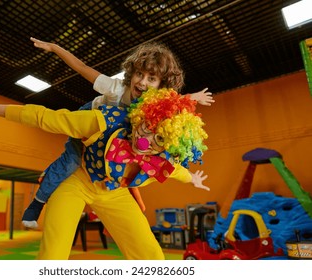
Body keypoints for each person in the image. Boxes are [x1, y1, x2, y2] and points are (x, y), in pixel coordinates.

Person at [0, 86, 209, 260]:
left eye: (160, 138)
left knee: (151, 255)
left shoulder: (164, 161)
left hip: (115, 195)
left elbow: (180, 173)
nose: (145, 139)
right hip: (78, 182)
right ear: (142, 114)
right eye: (147, 125)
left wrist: (194, 179)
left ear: (171, 145)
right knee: (54, 253)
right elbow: (45, 117)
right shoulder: (102, 122)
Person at [20, 37, 215, 228]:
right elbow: (82, 68)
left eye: (152, 78)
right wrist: (55, 48)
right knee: (71, 162)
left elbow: (172, 104)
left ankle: (130, 198)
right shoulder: (116, 89)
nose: (142, 82)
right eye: (139, 74)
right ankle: (36, 204)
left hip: (113, 133)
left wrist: (192, 99)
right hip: (92, 122)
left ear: (160, 86)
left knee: (135, 158)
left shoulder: (154, 103)